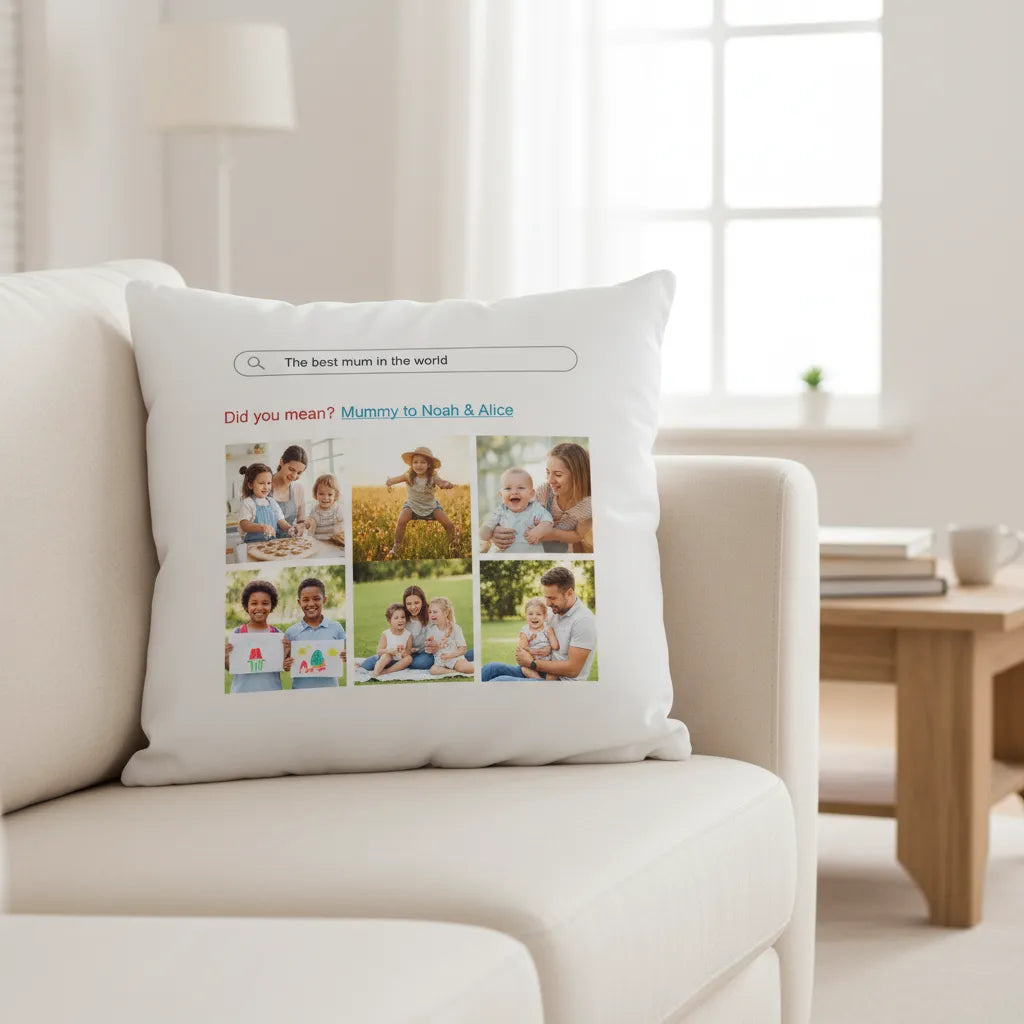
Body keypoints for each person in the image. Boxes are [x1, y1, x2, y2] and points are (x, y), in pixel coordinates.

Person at [481, 566, 596, 682]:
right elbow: (534, 634)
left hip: (560, 682)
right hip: (539, 670)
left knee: (499, 681)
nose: (547, 603)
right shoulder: (551, 611)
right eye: (546, 597)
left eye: (552, 598)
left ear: (569, 593)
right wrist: (531, 648)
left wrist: (532, 663)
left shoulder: (583, 620)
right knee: (491, 669)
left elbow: (573, 669)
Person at [491, 442, 592, 554]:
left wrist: (552, 533)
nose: (550, 480)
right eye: (548, 472)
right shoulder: (545, 491)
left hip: (556, 551)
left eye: (558, 475)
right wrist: (496, 529)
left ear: (577, 475)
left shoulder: (587, 505)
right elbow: (514, 510)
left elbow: (578, 535)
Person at [360, 584, 475, 673]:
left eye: (416, 603)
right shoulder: (403, 617)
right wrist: (392, 651)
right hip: (403, 653)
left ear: (423, 602)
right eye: (409, 604)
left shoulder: (431, 615)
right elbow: (393, 633)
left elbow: (446, 626)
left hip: (425, 654)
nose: (413, 607)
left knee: (423, 663)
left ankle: (466, 656)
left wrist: (434, 646)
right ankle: (390, 662)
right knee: (367, 666)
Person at [385, 446, 456, 558]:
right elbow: (396, 479)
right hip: (412, 506)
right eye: (416, 462)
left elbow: (440, 482)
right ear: (411, 464)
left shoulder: (433, 476)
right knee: (401, 521)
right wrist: (390, 482)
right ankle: (397, 545)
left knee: (449, 525)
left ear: (429, 465)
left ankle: (452, 546)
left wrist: (445, 484)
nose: (419, 465)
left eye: (423, 462)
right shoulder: (408, 475)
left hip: (431, 506)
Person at [225, 580, 290, 693]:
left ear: (271, 605)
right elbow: (232, 667)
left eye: (265, 603)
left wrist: (286, 653)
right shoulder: (237, 634)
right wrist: (226, 657)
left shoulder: (277, 634)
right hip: (242, 693)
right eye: (254, 603)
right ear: (247, 606)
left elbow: (281, 665)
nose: (259, 608)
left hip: (271, 692)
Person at [283, 577, 347, 689]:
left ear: (324, 600)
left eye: (316, 599)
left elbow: (347, 654)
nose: (311, 604)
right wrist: (286, 664)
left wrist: (347, 656)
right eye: (305, 600)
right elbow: (285, 663)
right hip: (300, 691)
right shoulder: (291, 632)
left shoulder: (336, 628)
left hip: (330, 691)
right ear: (299, 602)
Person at [479, 467, 553, 554]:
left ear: (531, 493)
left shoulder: (536, 508)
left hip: (531, 555)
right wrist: (486, 534)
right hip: (503, 555)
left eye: (521, 488)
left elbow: (548, 522)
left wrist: (539, 530)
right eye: (508, 488)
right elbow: (486, 529)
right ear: (501, 494)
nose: (514, 492)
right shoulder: (500, 510)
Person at [237, 463, 295, 543]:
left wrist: (290, 529)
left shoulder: (272, 502)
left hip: (271, 544)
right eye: (261, 483)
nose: (266, 487)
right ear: (250, 485)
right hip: (253, 544)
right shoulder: (248, 502)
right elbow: (244, 525)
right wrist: (262, 527)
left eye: (269, 483)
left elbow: (280, 521)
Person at [424, 596, 473, 677]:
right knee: (433, 670)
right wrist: (430, 647)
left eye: (435, 612)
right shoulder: (431, 630)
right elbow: (430, 649)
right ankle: (453, 672)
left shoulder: (455, 628)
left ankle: (458, 669)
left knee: (468, 668)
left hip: (454, 658)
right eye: (430, 612)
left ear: (446, 613)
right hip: (440, 661)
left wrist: (450, 655)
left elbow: (463, 649)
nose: (432, 614)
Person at [271, 444, 309, 538]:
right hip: (263, 542)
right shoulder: (263, 485)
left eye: (299, 473)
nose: (294, 476)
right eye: (291, 469)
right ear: (281, 462)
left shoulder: (299, 489)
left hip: (289, 542)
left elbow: (301, 520)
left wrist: (300, 527)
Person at [517, 597, 559, 679]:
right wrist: (533, 651)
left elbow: (555, 646)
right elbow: (522, 649)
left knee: (553, 674)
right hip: (532, 664)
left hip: (547, 664)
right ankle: (539, 680)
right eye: (530, 614)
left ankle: (545, 684)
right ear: (525, 616)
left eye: (538, 614)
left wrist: (549, 648)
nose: (534, 617)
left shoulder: (547, 629)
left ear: (545, 616)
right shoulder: (525, 631)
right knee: (524, 669)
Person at [369, 603, 413, 678]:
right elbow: (379, 651)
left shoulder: (408, 634)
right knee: (387, 656)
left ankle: (386, 671)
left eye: (403, 617)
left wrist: (404, 653)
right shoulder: (386, 634)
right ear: (389, 621)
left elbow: (409, 651)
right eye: (396, 618)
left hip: (398, 663)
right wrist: (389, 651)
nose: (400, 620)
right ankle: (375, 673)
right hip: (385, 661)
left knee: (409, 659)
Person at [301, 473, 345, 545]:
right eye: (321, 494)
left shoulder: (337, 509)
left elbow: (342, 524)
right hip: (317, 541)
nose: (325, 498)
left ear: (335, 495)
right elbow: (310, 524)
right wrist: (307, 524)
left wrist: (340, 535)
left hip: (334, 541)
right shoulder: (314, 509)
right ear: (316, 494)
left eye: (330, 494)